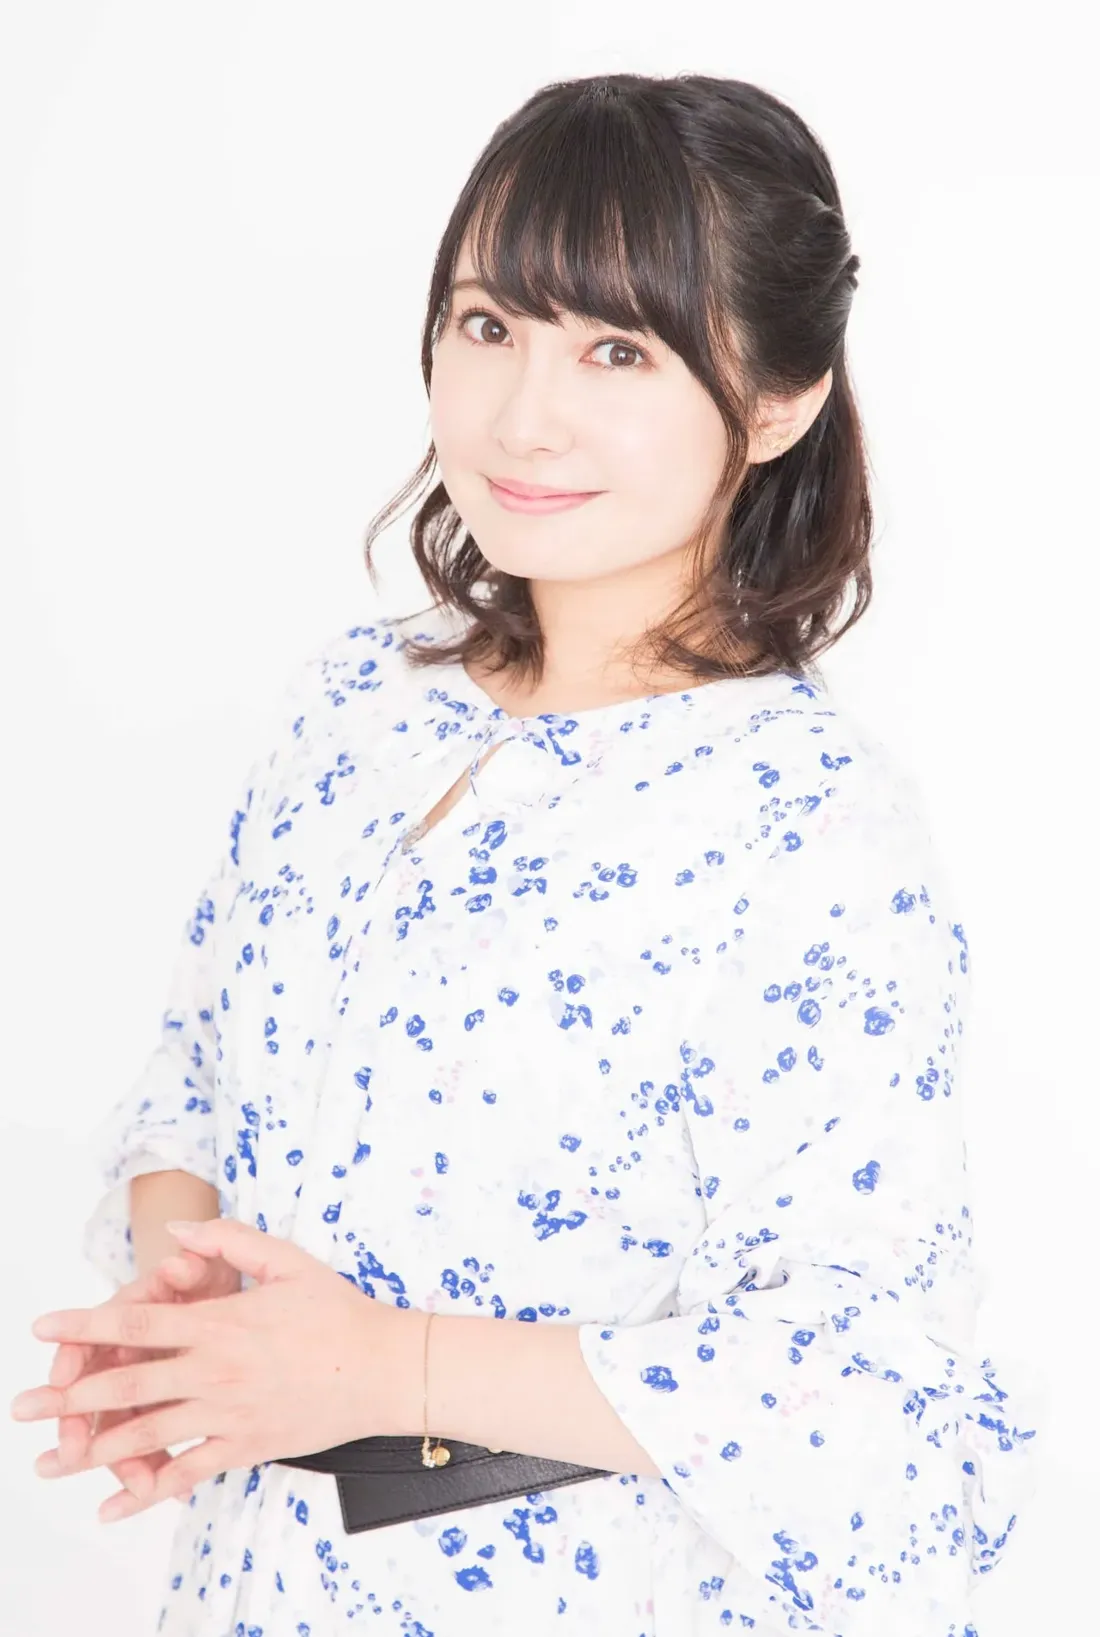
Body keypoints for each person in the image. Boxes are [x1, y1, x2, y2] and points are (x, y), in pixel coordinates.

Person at [11, 72, 1040, 1636]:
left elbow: (872, 1407)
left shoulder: (808, 827)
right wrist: (194, 1320)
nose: (521, 417)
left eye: (617, 350)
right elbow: (199, 1072)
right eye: (489, 324)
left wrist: (378, 1370)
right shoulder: (363, 703)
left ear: (778, 400)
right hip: (252, 1585)